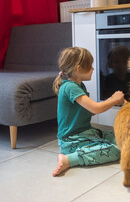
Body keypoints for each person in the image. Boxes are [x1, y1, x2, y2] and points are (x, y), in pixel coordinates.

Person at [52, 47, 125, 177]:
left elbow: (89, 111)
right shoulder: (70, 87)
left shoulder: (79, 85)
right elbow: (95, 108)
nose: (93, 69)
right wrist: (113, 100)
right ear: (79, 69)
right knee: (114, 150)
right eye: (90, 66)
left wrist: (109, 100)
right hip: (71, 140)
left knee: (120, 137)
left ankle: (87, 147)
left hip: (85, 133)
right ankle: (69, 159)